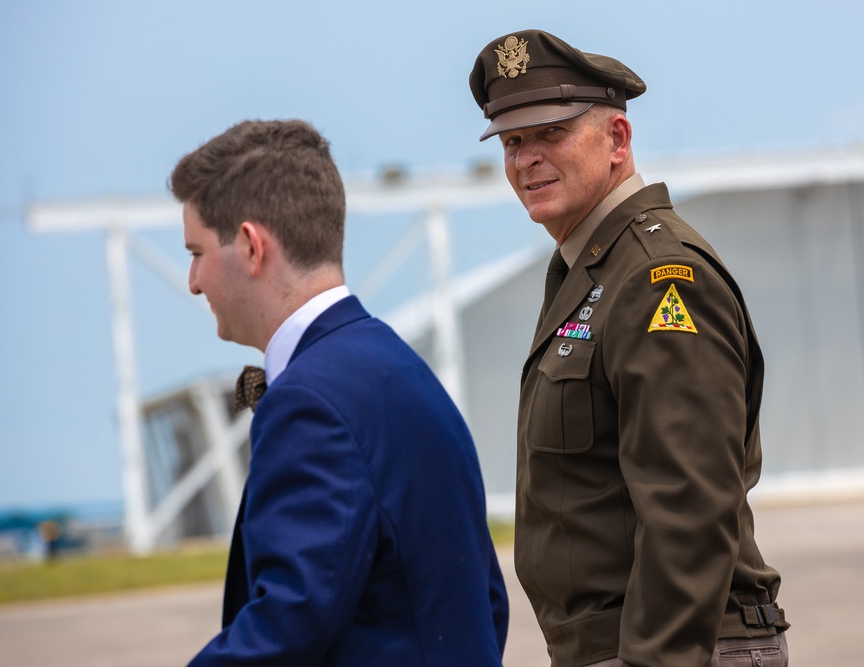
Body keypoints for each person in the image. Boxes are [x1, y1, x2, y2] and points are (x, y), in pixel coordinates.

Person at [468, 30, 789, 667]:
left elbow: (688, 512)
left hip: (674, 647)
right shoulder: (594, 271)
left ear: (618, 140)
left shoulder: (655, 277)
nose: (527, 159)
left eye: (551, 133)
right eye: (512, 142)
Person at [170, 119, 508, 665]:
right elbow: (484, 600)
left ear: (253, 247)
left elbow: (285, 627)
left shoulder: (310, 403)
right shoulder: (401, 370)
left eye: (196, 251)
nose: (193, 281)